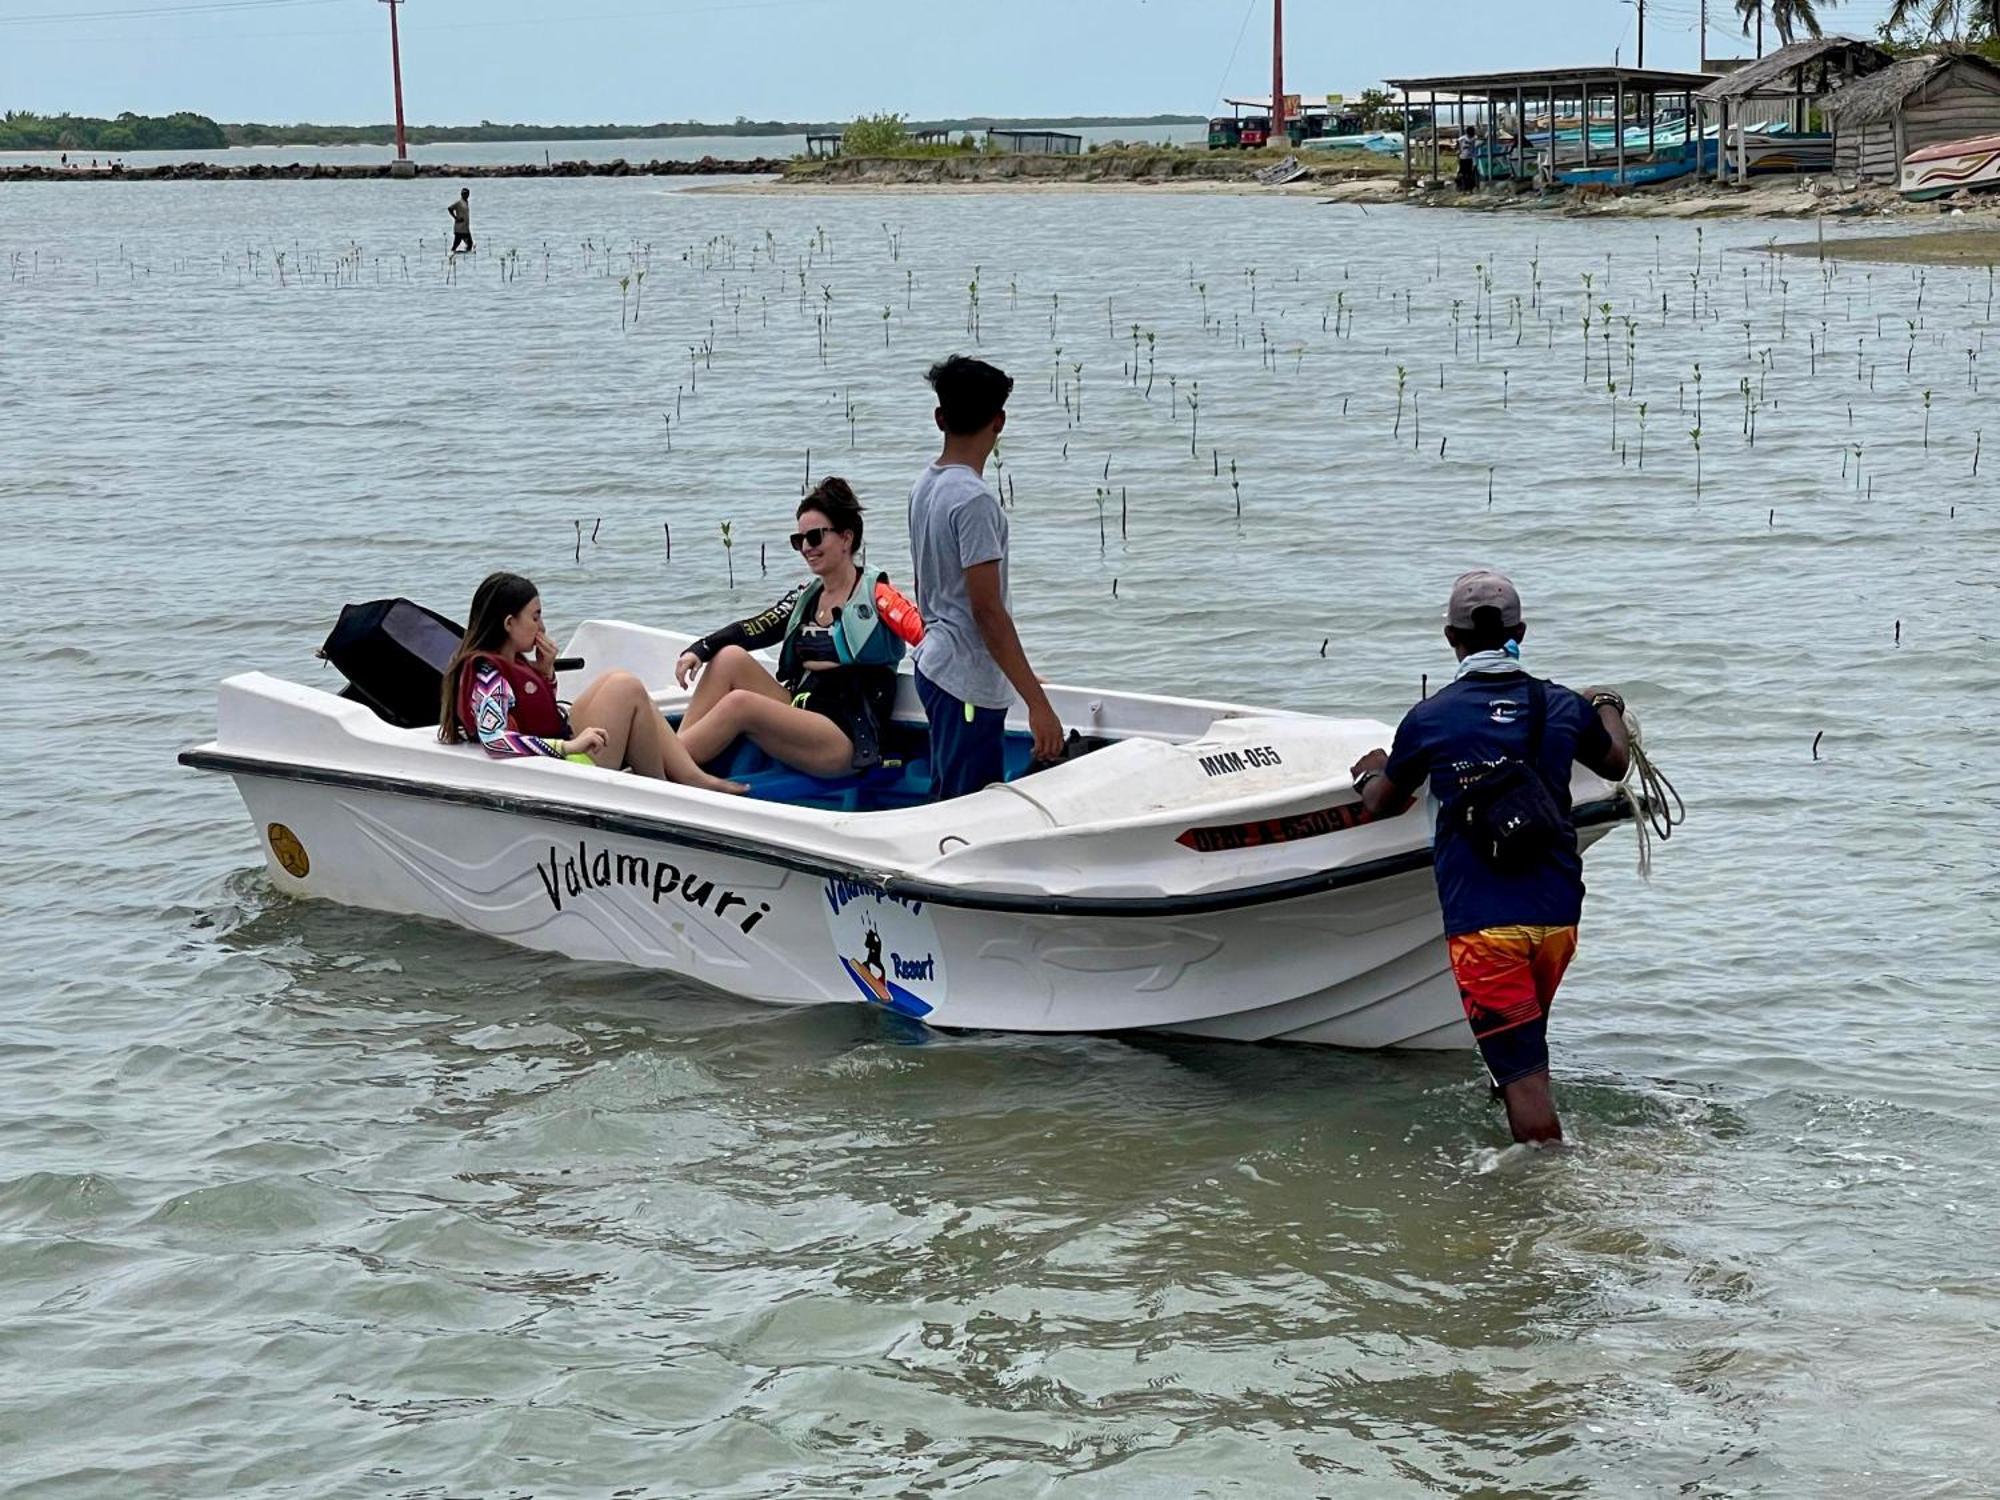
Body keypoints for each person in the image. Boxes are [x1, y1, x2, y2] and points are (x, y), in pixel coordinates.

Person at [1348, 571, 1630, 1146]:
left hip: (1485, 928)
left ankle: (1544, 1195)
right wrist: (1607, 702)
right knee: (1523, 1058)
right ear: (1519, 632)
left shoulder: (1432, 718)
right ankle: (1516, 1148)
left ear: (1450, 638)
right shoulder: (1560, 705)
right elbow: (1615, 762)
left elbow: (1383, 801)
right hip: (1556, 919)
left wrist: (1371, 767)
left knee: (1524, 1081)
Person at [672, 478, 906, 778]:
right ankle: (678, 755)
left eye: (815, 537)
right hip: (803, 710)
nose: (807, 548)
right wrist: (700, 649)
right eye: (800, 541)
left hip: (844, 737)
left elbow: (921, 631)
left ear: (846, 538)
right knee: (728, 657)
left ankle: (665, 763)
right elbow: (754, 628)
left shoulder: (877, 598)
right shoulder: (806, 598)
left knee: (740, 704)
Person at [907, 355, 1063, 800]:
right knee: (965, 806)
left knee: (951, 791)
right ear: (999, 421)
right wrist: (1037, 704)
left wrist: (1022, 675)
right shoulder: (974, 501)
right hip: (965, 682)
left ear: (941, 418)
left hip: (934, 662)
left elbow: (933, 590)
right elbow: (987, 611)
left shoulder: (926, 485)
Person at [440, 571, 743, 794]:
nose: (542, 626)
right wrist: (568, 745)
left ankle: (690, 779)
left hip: (563, 754)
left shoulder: (515, 663)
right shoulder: (488, 673)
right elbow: (494, 738)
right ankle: (664, 789)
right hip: (561, 770)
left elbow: (535, 713)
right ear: (509, 624)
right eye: (535, 617)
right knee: (625, 687)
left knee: (616, 680)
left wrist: (545, 674)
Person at [447, 187, 473, 253]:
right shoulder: (459, 202)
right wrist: (456, 218)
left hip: (466, 228)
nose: (466, 195)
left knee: (470, 244)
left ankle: (465, 256)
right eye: (464, 194)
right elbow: (450, 208)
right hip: (459, 228)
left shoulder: (466, 202)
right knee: (456, 245)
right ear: (461, 194)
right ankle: (452, 256)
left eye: (467, 194)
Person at [1455, 125, 1480, 191]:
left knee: (1469, 174)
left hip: (1470, 158)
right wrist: (1458, 153)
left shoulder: (1474, 139)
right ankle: (1461, 187)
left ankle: (1469, 188)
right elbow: (1457, 147)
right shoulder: (1462, 139)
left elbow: (1480, 141)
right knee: (1462, 173)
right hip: (1463, 158)